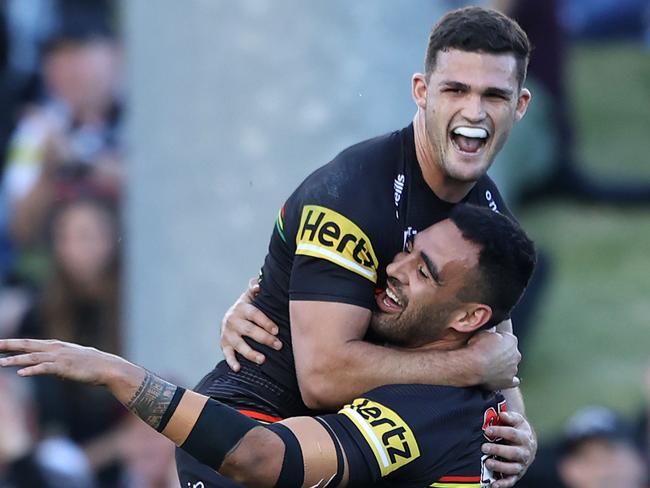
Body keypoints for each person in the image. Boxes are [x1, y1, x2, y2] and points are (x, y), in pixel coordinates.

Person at [200, 6, 535, 487]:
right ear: (422, 92)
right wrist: (465, 366)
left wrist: (520, 436)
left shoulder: (486, 213)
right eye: (455, 89)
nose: (474, 112)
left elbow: (496, 351)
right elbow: (323, 379)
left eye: (494, 95)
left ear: (520, 105)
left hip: (341, 445)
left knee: (470, 436)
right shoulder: (351, 195)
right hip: (251, 439)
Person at [0, 203, 537, 487]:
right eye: (407, 251)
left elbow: (261, 458)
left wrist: (118, 374)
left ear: (472, 317)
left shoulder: (431, 408)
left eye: (424, 271)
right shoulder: (426, 359)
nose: (393, 268)